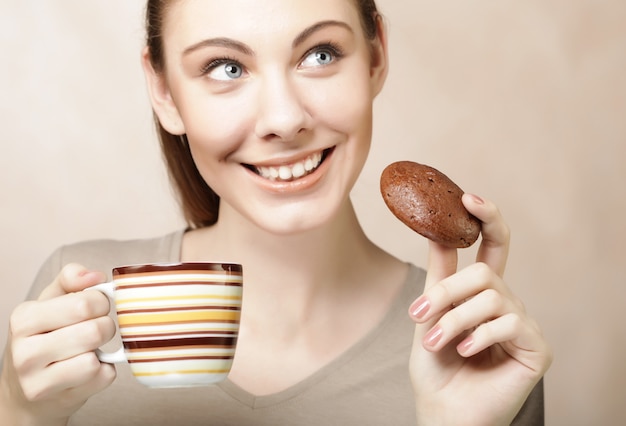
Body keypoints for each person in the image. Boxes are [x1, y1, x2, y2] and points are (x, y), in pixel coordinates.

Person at [0, 0, 552, 424]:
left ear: (376, 57)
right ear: (164, 90)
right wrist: (21, 414)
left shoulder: (479, 350)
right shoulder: (72, 314)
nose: (285, 120)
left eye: (320, 54)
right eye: (225, 67)